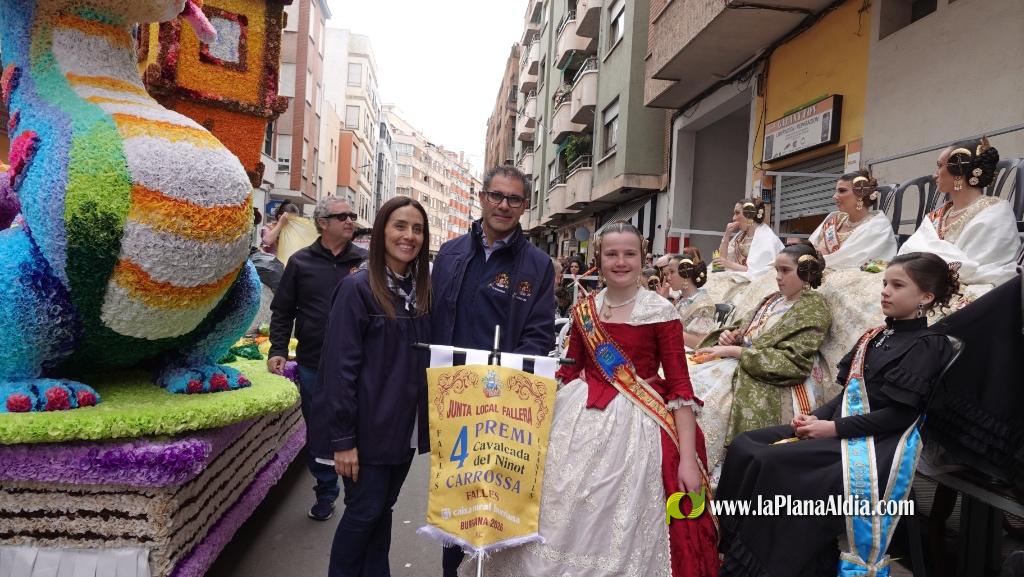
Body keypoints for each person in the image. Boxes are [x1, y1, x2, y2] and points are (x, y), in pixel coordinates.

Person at [476, 221, 719, 577]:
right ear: (599, 259)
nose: (621, 262)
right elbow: (568, 374)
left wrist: (686, 460)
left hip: (639, 428)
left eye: (629, 254)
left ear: (642, 258)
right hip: (576, 421)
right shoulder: (584, 310)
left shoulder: (662, 313)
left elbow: (681, 388)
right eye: (611, 254)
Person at [715, 252, 957, 576]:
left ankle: (770, 564)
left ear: (926, 297)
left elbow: (899, 416)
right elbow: (848, 394)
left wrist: (831, 429)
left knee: (772, 462)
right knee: (746, 445)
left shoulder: (928, 345)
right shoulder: (876, 335)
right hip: (842, 428)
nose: (885, 290)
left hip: (874, 445)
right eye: (885, 283)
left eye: (897, 285)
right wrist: (813, 418)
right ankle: (732, 545)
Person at [429, 165, 556, 577]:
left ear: (524, 206)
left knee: (498, 504)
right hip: (452, 402)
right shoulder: (449, 254)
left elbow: (539, 335)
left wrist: (506, 389)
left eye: (514, 199)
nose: (504, 205)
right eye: (497, 195)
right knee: (455, 499)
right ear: (482, 197)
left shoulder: (538, 265)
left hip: (504, 407)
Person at [314, 197, 432, 577]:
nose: (409, 236)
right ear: (381, 230)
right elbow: (338, 370)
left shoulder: (421, 293)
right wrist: (343, 440)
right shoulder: (359, 289)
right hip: (367, 431)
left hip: (404, 431)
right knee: (363, 513)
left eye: (417, 229)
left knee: (382, 510)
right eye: (400, 226)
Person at [690, 242, 832, 477]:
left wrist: (735, 352)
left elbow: (793, 362)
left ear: (806, 271)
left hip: (772, 375)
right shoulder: (773, 299)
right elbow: (745, 326)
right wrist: (730, 336)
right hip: (743, 359)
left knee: (707, 403)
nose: (778, 277)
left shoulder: (813, 308)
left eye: (785, 270)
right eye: (776, 270)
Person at [267, 196, 366, 521]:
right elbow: (282, 310)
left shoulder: (366, 263)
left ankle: (359, 492)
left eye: (352, 215)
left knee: (360, 428)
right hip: (313, 364)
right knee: (320, 431)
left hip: (359, 366)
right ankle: (326, 491)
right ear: (323, 223)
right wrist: (278, 350)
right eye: (343, 216)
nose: (351, 221)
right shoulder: (300, 262)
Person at [899, 137, 1020, 308]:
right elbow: (907, 253)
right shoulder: (937, 215)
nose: (935, 174)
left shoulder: (995, 212)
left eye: (940, 166)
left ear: (959, 170)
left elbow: (982, 270)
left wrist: (930, 264)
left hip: (959, 292)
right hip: (921, 282)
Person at [809, 170, 900, 374]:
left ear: (860, 194)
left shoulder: (877, 224)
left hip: (850, 274)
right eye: (836, 191)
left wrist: (824, 258)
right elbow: (810, 246)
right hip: (819, 271)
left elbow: (863, 259)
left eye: (842, 191)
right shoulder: (833, 219)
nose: (835, 197)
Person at [704, 198, 785, 317]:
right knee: (710, 278)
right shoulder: (741, 235)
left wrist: (728, 264)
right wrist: (726, 236)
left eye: (737, 213)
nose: (733, 218)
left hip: (754, 281)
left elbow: (758, 271)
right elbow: (721, 261)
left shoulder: (766, 238)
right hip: (740, 276)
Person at [668, 247, 717, 349]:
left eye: (672, 272)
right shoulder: (679, 299)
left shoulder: (703, 304)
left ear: (685, 273)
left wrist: (670, 330)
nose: (668, 277)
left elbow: (701, 342)